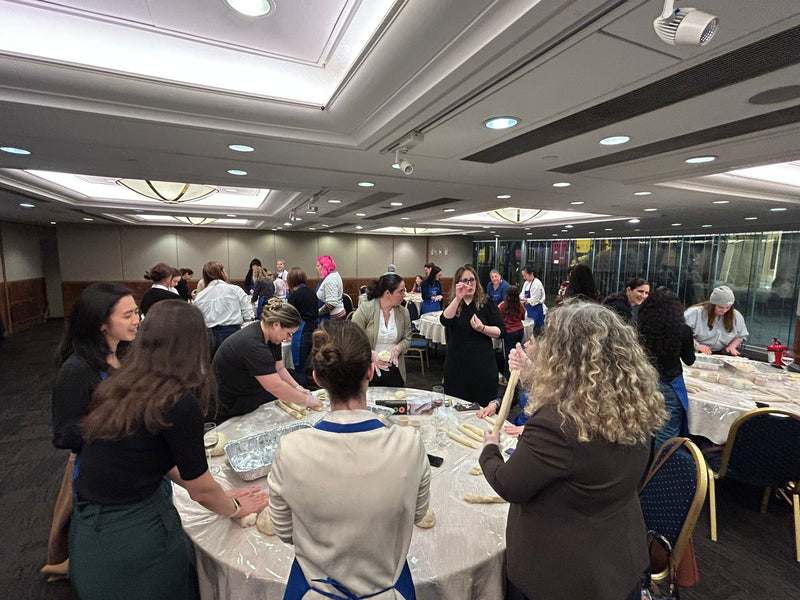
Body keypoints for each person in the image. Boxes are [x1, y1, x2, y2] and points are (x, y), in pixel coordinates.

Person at [70, 300, 269, 599]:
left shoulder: (123, 383)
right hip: (133, 538)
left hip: (89, 530)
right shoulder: (178, 401)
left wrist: (216, 493)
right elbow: (200, 490)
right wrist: (235, 508)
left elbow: (151, 457)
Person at [480, 301, 666, 600]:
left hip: (563, 575)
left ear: (563, 356)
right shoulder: (633, 405)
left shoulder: (557, 423)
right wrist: (532, 374)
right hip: (619, 559)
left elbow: (508, 484)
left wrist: (490, 449)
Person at [267, 320, 431, 600]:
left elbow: (284, 531)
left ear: (317, 379)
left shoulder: (291, 449)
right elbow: (416, 515)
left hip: (314, 589)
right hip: (387, 587)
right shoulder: (410, 444)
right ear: (371, 371)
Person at [43, 283, 139, 581]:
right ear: (101, 323)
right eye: (127, 315)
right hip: (98, 469)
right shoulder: (76, 369)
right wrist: (118, 425)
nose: (136, 320)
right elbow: (63, 434)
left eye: (137, 312)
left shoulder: (123, 353)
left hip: (128, 462)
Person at [211, 299, 322, 421]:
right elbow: (276, 386)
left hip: (249, 394)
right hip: (229, 403)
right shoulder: (253, 345)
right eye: (289, 333)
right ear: (276, 325)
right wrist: (306, 400)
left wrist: (298, 388)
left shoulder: (271, 336)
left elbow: (279, 368)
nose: (289, 338)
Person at [639, 288, 696, 449]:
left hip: (643, 380)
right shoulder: (682, 331)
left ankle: (643, 461)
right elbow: (689, 360)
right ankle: (661, 463)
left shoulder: (640, 328)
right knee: (667, 433)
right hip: (669, 383)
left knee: (642, 428)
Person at [440, 265, 505, 407]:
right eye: (465, 281)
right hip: (457, 367)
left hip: (482, 365)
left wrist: (482, 328)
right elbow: (445, 320)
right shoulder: (453, 303)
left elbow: (501, 331)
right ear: (458, 283)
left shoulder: (487, 303)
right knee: (455, 408)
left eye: (472, 280)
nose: (469, 284)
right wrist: (458, 298)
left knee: (484, 409)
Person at [352, 273, 413, 387]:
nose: (404, 295)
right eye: (401, 291)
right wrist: (371, 354)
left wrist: (398, 348)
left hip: (395, 369)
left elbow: (407, 338)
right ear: (387, 293)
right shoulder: (366, 309)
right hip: (368, 368)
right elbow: (353, 339)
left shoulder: (403, 312)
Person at [193, 261, 254, 357]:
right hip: (232, 333)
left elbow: (197, 319)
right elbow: (248, 315)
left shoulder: (200, 296)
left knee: (212, 363)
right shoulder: (235, 290)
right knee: (232, 363)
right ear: (222, 273)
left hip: (208, 336)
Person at [684, 285, 748, 356]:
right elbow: (681, 332)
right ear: (713, 305)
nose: (724, 310)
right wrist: (697, 345)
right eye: (721, 307)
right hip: (691, 350)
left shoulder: (736, 316)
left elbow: (740, 335)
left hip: (718, 352)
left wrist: (732, 346)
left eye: (728, 307)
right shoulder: (695, 312)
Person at [286, 267, 319, 387]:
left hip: (301, 331)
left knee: (299, 367)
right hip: (315, 329)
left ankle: (302, 393)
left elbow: (289, 317)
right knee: (312, 366)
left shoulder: (294, 296)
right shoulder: (312, 293)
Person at [498, 285, 525, 380]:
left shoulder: (502, 305)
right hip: (520, 331)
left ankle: (508, 377)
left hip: (509, 332)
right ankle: (518, 376)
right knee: (517, 354)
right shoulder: (520, 305)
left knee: (509, 356)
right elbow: (523, 318)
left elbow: (499, 318)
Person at [315, 255, 345, 319]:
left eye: (318, 266)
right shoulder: (334, 275)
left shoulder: (330, 279)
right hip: (338, 314)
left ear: (324, 266)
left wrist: (317, 313)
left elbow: (331, 304)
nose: (316, 268)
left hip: (333, 318)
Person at [519, 265, 545, 332]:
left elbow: (534, 301)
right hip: (529, 310)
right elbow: (521, 295)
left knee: (537, 331)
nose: (524, 278)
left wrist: (525, 299)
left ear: (531, 274)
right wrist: (523, 299)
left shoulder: (536, 284)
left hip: (536, 311)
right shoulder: (526, 283)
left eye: (525, 276)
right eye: (523, 276)